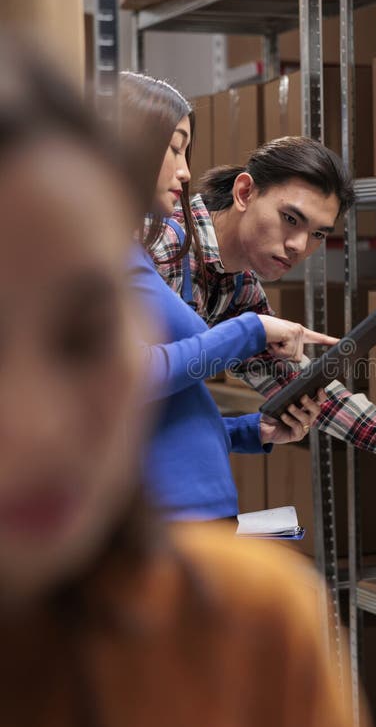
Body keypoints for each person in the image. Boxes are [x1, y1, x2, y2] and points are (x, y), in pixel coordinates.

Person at [0, 38, 371, 727]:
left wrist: (248, 433)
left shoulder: (260, 623)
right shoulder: (173, 267)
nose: (38, 425)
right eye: (171, 149)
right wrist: (243, 338)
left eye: (81, 338)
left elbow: (156, 399)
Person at [149, 133, 376, 519]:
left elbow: (306, 390)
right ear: (244, 192)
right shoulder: (161, 246)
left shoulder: (239, 289)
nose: (299, 245)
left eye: (318, 233)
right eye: (290, 219)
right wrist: (248, 331)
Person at [120, 74, 335, 519]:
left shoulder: (129, 251)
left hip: (191, 517)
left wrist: (249, 432)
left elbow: (166, 413)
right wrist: (250, 331)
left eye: (317, 234)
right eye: (175, 146)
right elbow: (126, 380)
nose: (184, 170)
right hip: (158, 520)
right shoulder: (128, 250)